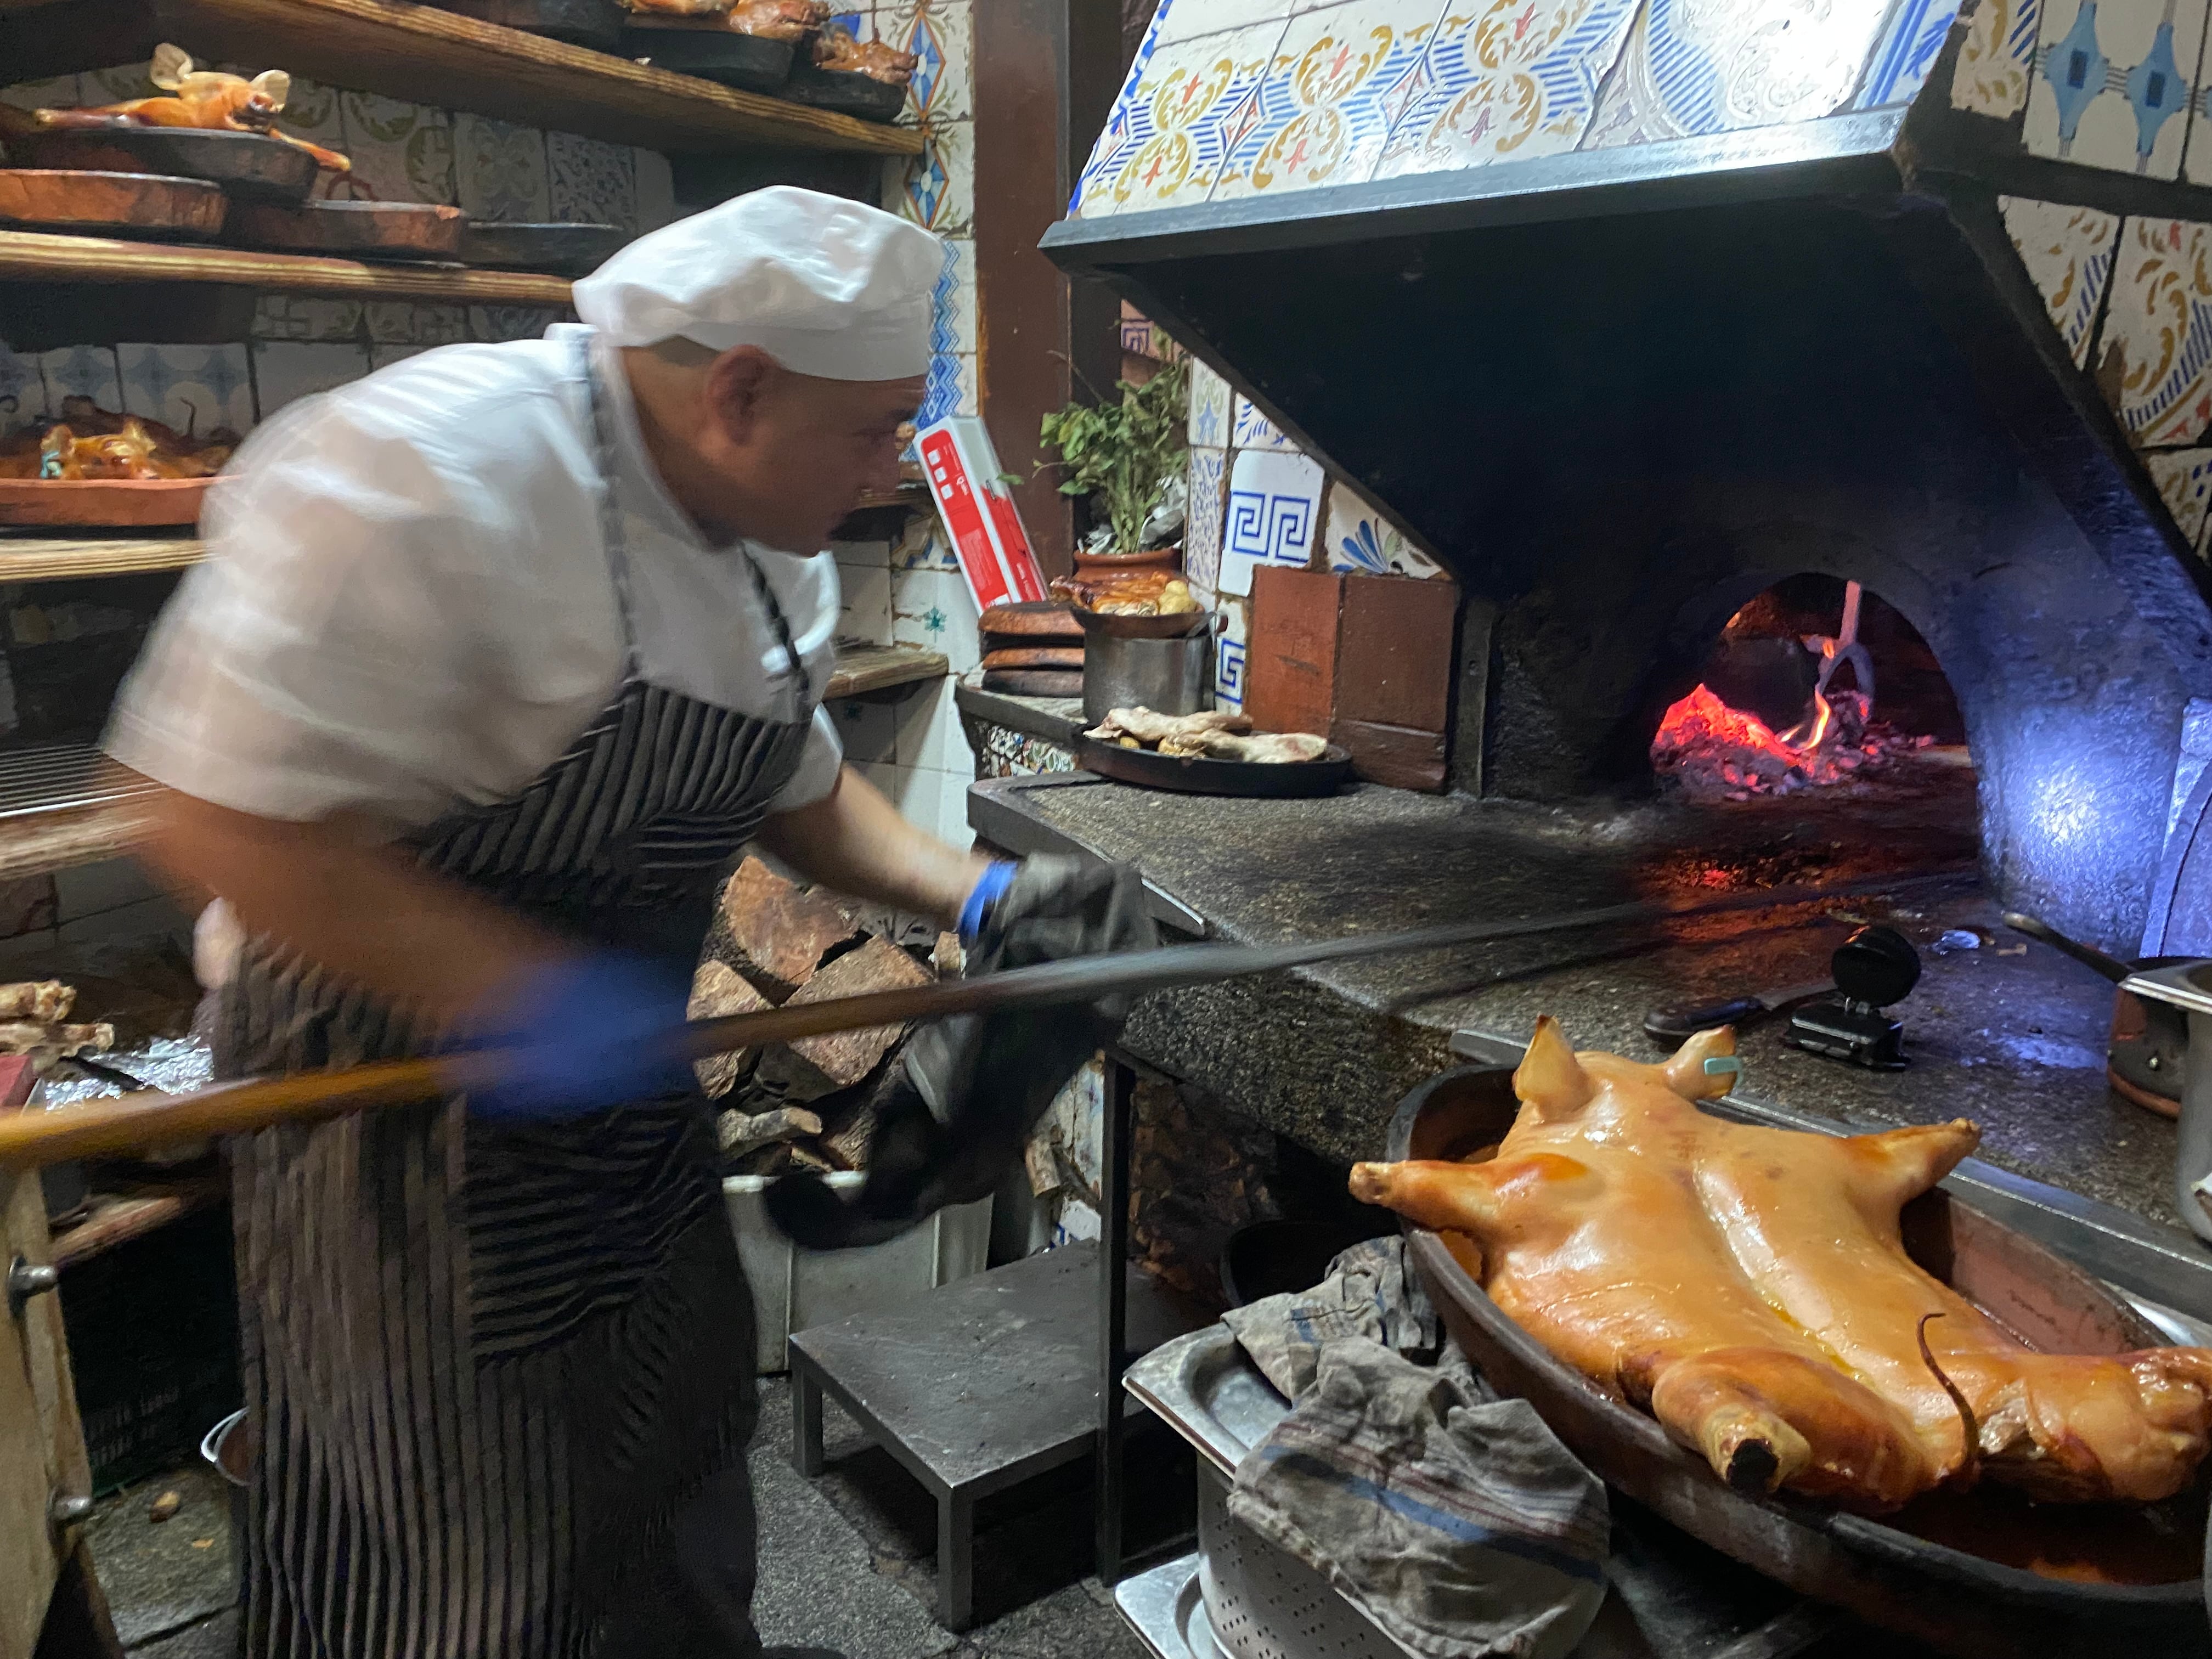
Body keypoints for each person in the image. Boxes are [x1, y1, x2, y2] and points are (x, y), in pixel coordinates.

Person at [105, 187, 1051, 1659]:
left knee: (670, 1442)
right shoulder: (431, 473)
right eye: (870, 430)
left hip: (616, 1095)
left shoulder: (769, 539)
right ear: (738, 386)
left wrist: (969, 886)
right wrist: (524, 995)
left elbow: (793, 790)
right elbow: (211, 812)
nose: (892, 472)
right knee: (466, 1534)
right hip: (404, 1110)